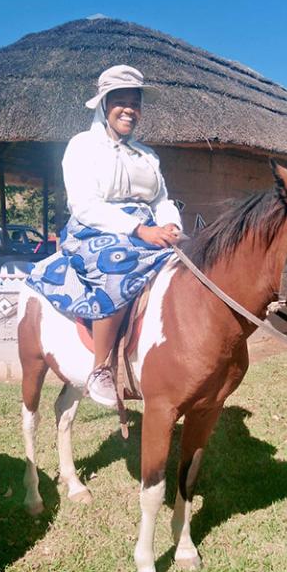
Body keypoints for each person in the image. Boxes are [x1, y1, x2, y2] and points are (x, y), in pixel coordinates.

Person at [59, 65, 182, 407]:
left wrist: (172, 225)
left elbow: (161, 200)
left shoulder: (147, 155)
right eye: (121, 101)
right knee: (116, 265)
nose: (129, 109)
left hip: (148, 228)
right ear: (103, 104)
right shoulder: (81, 146)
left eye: (135, 102)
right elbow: (84, 204)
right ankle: (100, 368)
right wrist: (138, 230)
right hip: (96, 229)